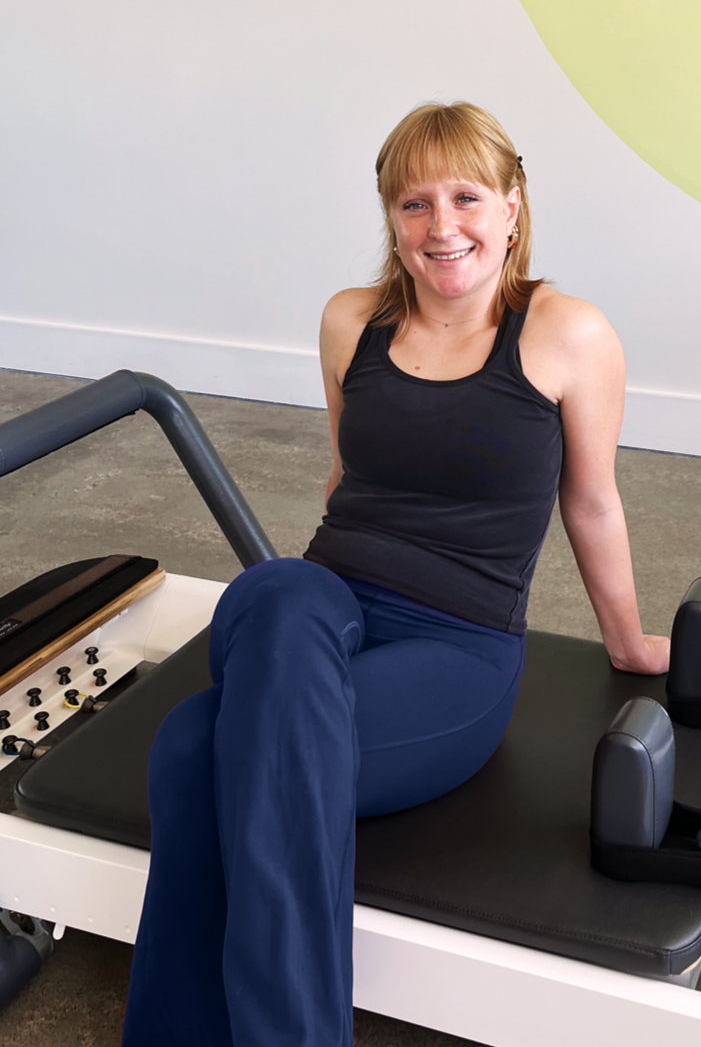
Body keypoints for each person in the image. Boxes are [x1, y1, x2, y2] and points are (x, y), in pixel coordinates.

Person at [121, 102, 668, 1047]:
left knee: (190, 748)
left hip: (457, 643)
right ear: (390, 216)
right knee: (276, 588)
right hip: (323, 599)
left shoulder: (565, 334)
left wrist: (625, 639)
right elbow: (350, 478)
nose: (441, 226)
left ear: (511, 204)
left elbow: (592, 501)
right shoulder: (351, 321)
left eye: (464, 197)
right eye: (414, 203)